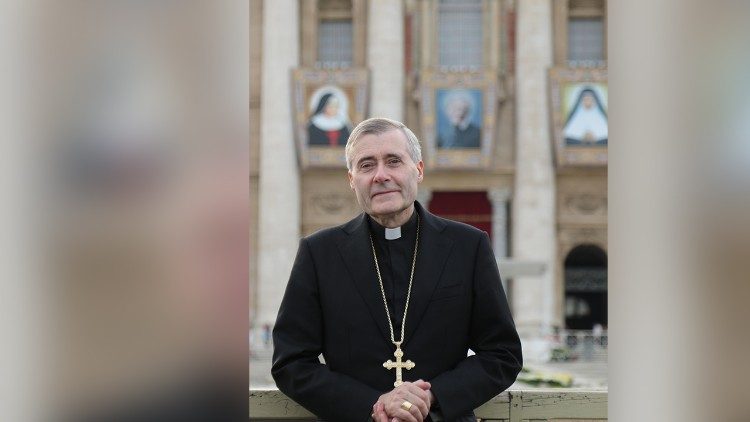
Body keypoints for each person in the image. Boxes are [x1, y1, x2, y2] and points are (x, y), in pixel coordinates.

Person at [272, 117, 522, 422]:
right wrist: (373, 404)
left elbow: (502, 354)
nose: (381, 175)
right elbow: (291, 363)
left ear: (418, 169)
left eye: (393, 161)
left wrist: (430, 397)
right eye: (366, 165)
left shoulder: (468, 246)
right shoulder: (319, 253)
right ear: (352, 179)